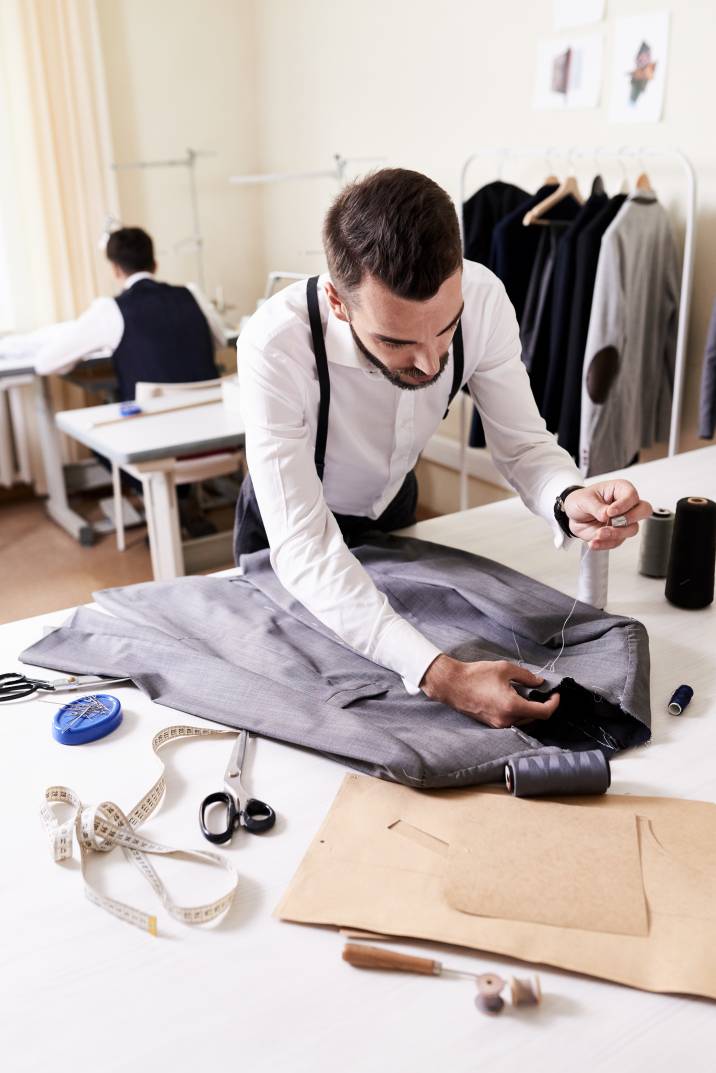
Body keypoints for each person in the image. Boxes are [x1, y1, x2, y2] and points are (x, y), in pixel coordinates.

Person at [234, 168, 651, 728]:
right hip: (287, 528)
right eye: (395, 340)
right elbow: (306, 547)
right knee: (313, 697)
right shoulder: (276, 344)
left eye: (445, 329)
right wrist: (442, 676)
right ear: (338, 300)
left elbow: (524, 443)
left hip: (393, 509)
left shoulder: (482, 298)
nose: (431, 364)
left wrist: (565, 496)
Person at [0, 226, 224, 396]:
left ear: (115, 268)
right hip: (213, 428)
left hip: (150, 435)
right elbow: (220, 342)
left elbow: (46, 363)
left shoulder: (110, 310)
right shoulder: (192, 293)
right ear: (154, 263)